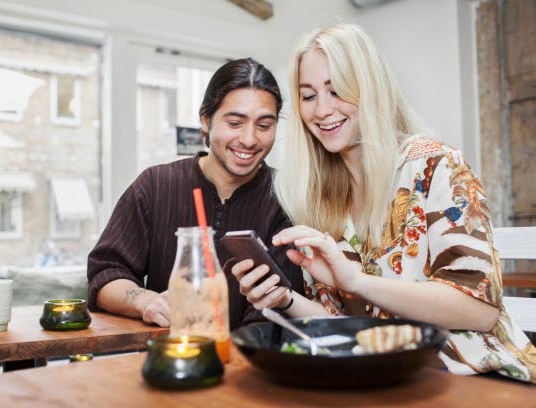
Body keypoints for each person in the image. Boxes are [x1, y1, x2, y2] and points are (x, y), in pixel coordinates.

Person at [232, 24, 536, 382]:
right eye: (309, 95)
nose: (322, 110)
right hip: (384, 379)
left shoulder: (435, 166)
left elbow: (479, 311)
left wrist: (358, 281)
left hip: (476, 378)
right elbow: (351, 330)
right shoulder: (318, 198)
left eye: (337, 89)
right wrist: (284, 300)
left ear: (370, 88)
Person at [88, 58, 303, 330]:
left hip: (250, 361)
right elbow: (104, 275)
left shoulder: (285, 198)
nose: (249, 140)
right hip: (169, 359)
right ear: (205, 120)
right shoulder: (155, 185)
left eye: (263, 126)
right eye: (235, 123)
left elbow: (276, 310)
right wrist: (145, 301)